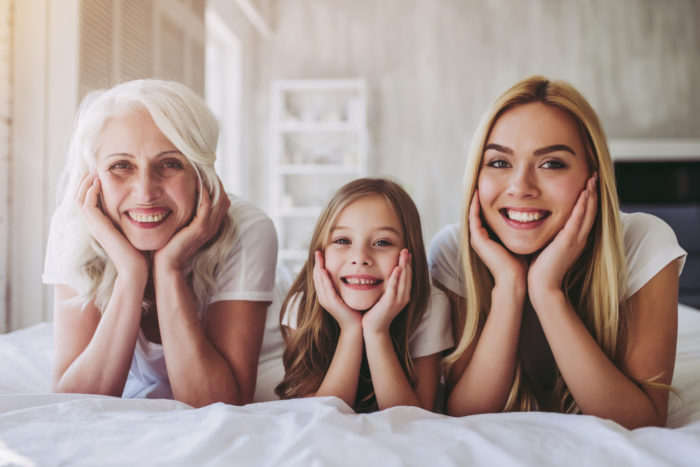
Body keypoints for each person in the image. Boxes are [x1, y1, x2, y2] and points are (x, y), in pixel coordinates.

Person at [429, 76, 687, 428]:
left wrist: (547, 291)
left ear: (593, 175)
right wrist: (508, 287)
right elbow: (467, 413)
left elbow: (642, 421)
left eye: (551, 164)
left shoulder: (644, 241)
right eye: (500, 163)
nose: (520, 187)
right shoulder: (454, 251)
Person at [43, 79, 278, 407]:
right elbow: (74, 404)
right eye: (121, 166)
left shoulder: (248, 229)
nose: (145, 192)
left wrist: (169, 269)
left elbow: (217, 403)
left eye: (169, 164)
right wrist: (131, 273)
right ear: (92, 177)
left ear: (200, 174)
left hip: (263, 372)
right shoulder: (73, 228)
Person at [275, 178, 453, 412]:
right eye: (342, 241)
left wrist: (377, 331)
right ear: (320, 252)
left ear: (409, 254)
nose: (360, 257)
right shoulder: (302, 306)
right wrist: (350, 330)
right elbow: (320, 418)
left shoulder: (429, 306)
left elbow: (414, 421)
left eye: (381, 242)